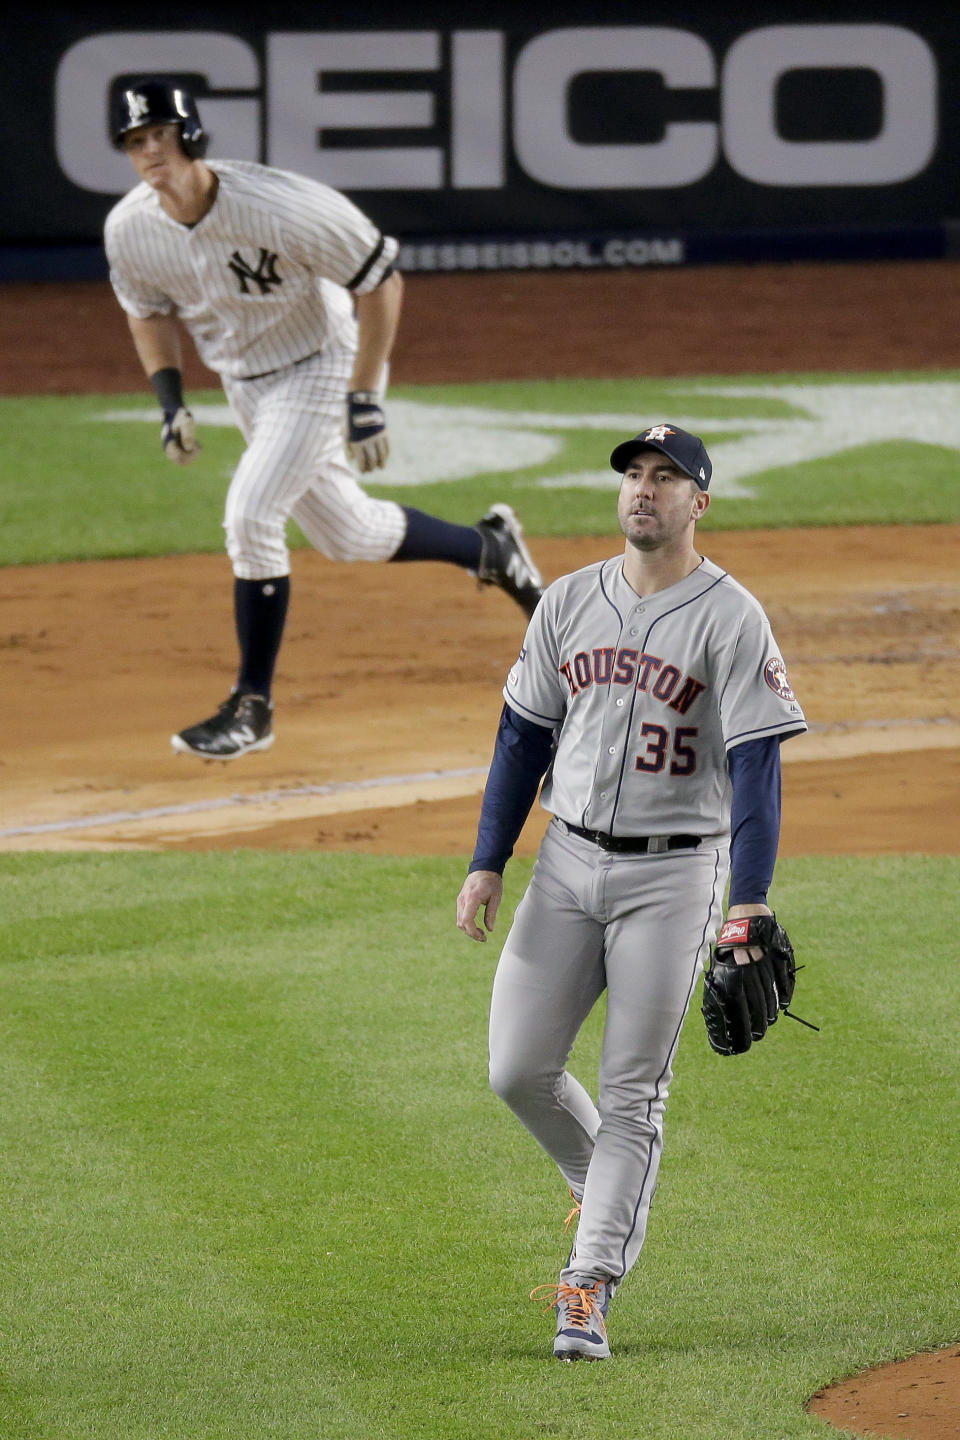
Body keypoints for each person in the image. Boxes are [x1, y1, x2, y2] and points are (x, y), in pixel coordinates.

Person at [456, 423, 807, 1361]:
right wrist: (489, 858)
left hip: (675, 874)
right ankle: (602, 1184)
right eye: (634, 477)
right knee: (516, 1069)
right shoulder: (569, 601)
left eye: (666, 478)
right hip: (565, 865)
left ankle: (588, 1283)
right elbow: (521, 737)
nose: (644, 491)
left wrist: (751, 899)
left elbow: (757, 764)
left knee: (632, 1093)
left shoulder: (732, 616)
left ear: (700, 501)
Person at [104, 79, 543, 760]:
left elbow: (380, 280)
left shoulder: (278, 205)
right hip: (246, 382)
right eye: (136, 141)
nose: (149, 150)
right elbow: (146, 309)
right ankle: (490, 549)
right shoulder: (131, 228)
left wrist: (364, 396)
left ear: (191, 136)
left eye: (160, 133)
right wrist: (171, 401)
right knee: (347, 532)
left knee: (251, 513)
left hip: (322, 363)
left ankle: (252, 705)